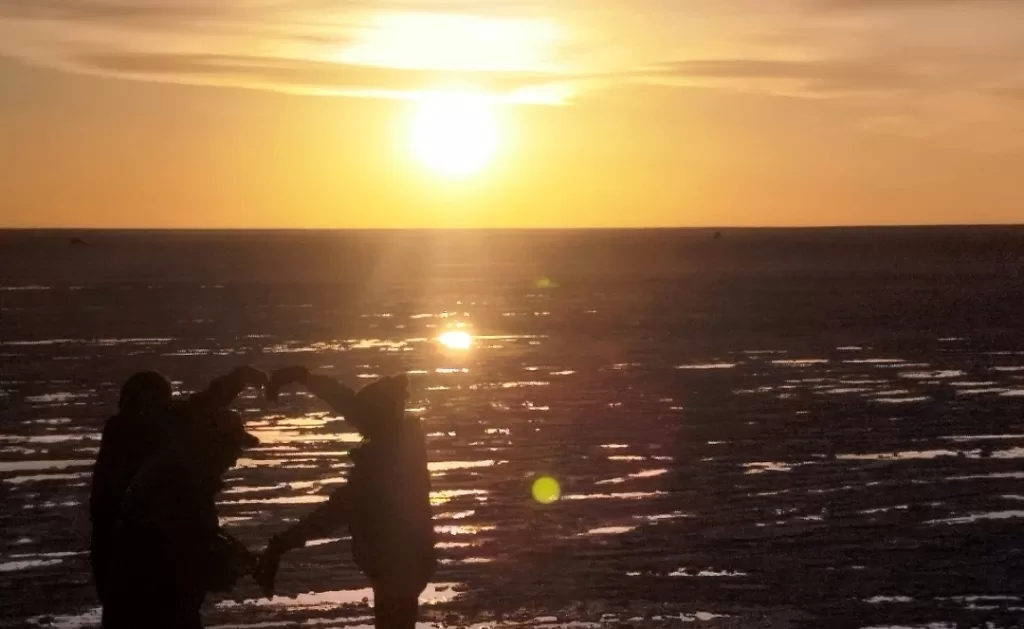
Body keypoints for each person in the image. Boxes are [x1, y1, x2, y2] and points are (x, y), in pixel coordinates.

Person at [255, 370, 436, 629]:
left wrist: (282, 544)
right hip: (405, 562)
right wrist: (303, 377)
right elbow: (350, 403)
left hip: (398, 564)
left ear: (375, 417)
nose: (354, 420)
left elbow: (336, 511)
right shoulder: (402, 437)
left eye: (361, 417)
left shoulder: (384, 465)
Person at [89, 366, 268, 625]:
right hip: (149, 601)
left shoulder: (156, 453)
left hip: (133, 589)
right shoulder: (165, 465)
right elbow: (172, 543)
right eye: (231, 448)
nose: (235, 459)